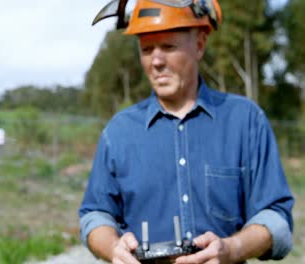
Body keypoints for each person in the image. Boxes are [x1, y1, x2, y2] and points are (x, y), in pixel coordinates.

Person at [79, 0, 294, 263]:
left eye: (168, 47)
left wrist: (233, 249)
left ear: (200, 45)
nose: (156, 61)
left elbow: (276, 217)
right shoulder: (119, 132)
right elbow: (95, 214)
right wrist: (113, 248)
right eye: (146, 49)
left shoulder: (245, 121)